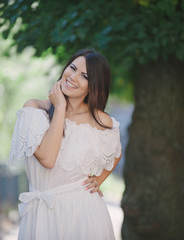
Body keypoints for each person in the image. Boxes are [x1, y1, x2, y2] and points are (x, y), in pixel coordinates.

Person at [9, 49, 122, 240]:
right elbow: (47, 158)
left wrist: (99, 179)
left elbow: (116, 152)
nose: (73, 77)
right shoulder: (34, 109)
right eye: (72, 68)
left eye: (84, 76)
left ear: (93, 86)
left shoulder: (102, 121)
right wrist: (60, 107)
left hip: (84, 214)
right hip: (41, 213)